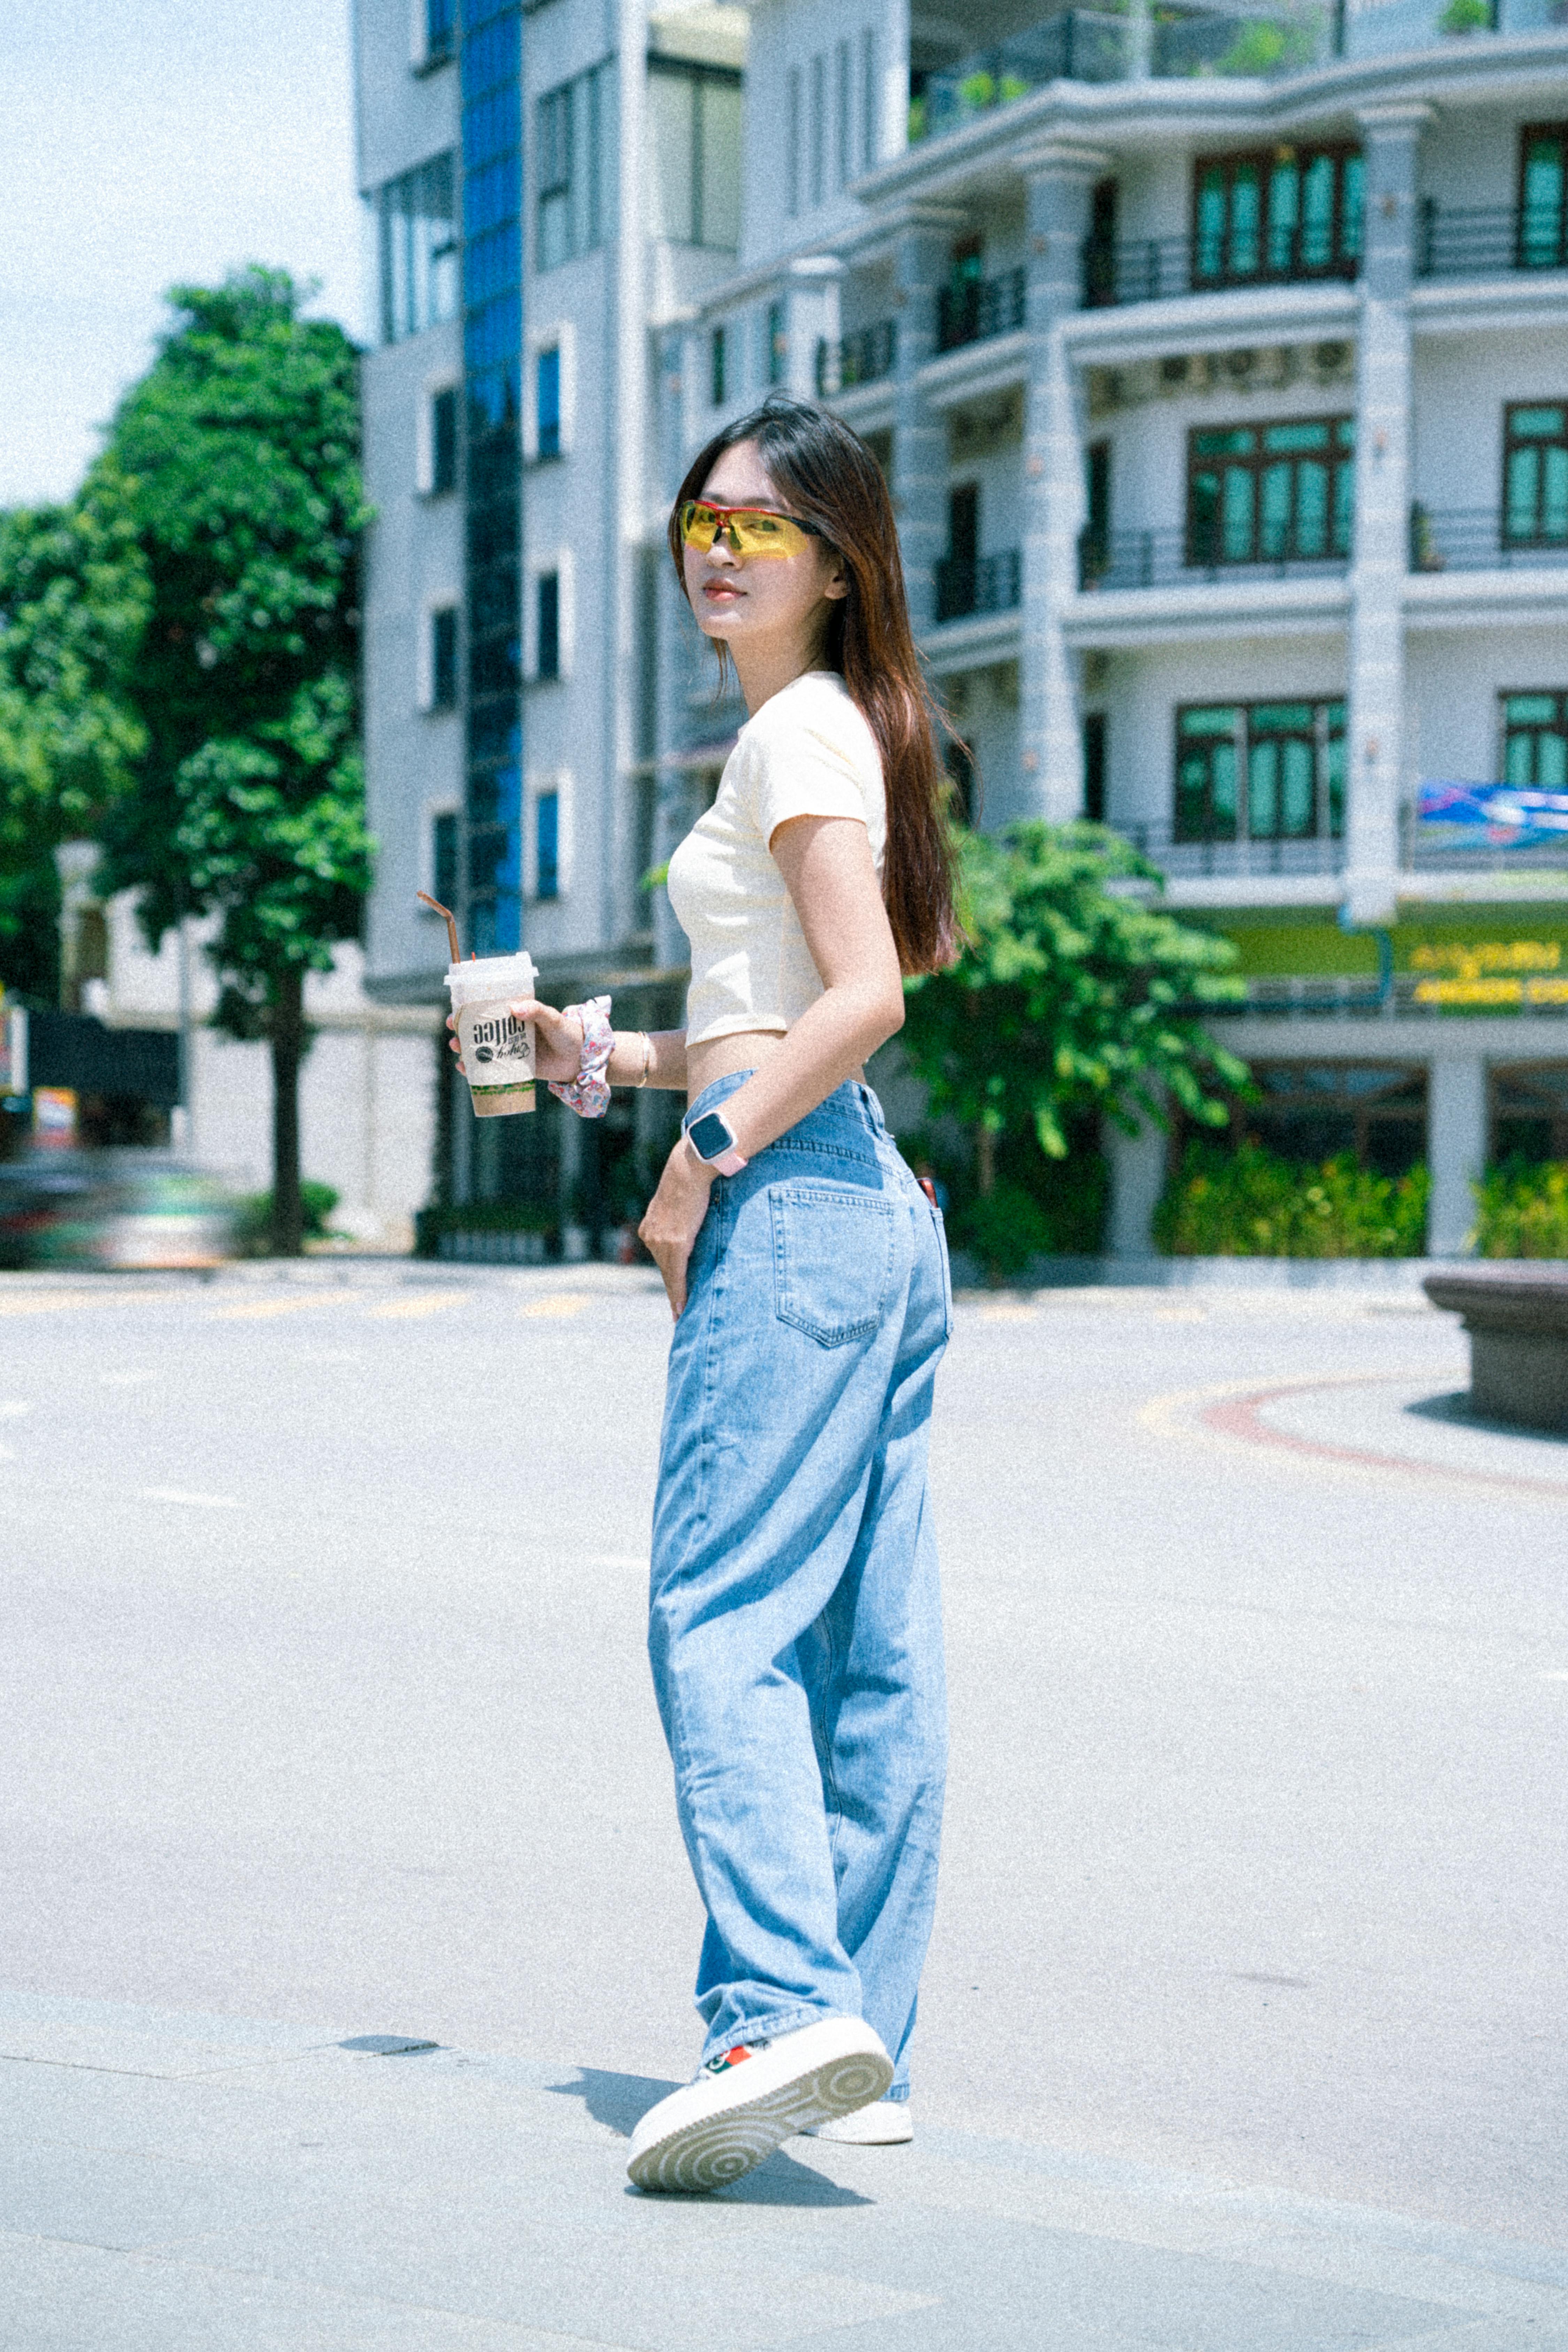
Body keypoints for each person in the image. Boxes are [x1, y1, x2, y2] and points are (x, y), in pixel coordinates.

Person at [466, 395, 958, 2193]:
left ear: (837, 560)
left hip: (806, 1201)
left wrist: (706, 1159)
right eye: (699, 520)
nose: (717, 547)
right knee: (860, 1646)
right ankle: (864, 2043)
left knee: (719, 1614)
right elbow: (780, 1006)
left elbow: (866, 994)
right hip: (866, 1203)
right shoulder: (818, 730)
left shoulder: (800, 733)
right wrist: (616, 1057)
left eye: (756, 524)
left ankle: (773, 2012)